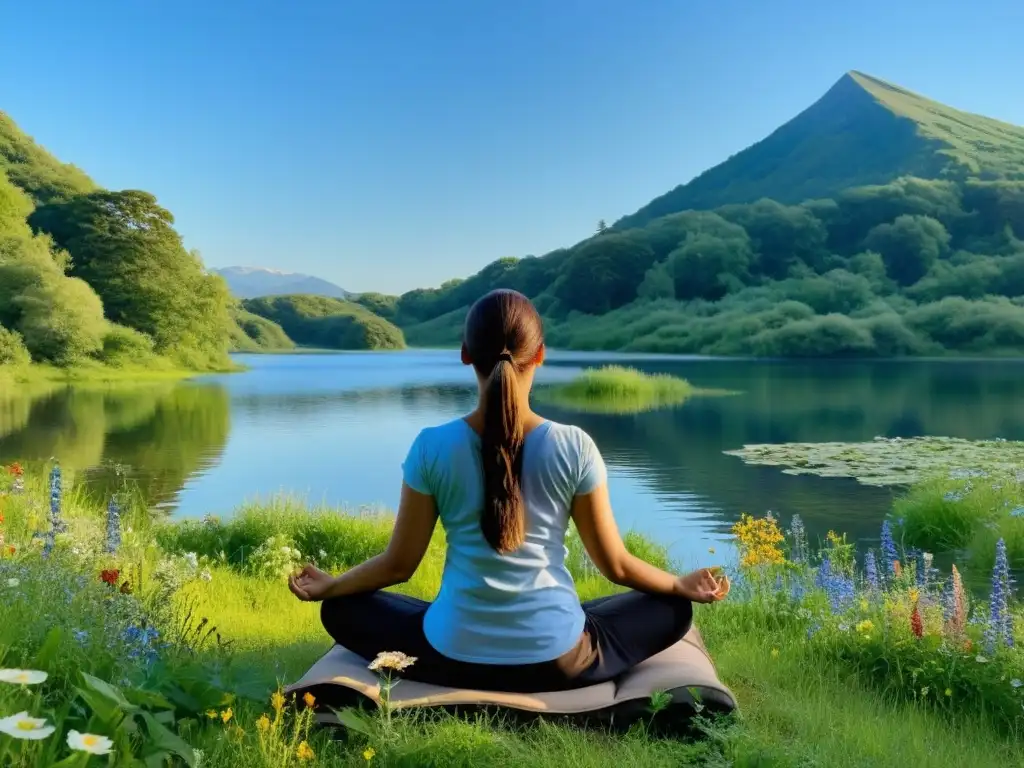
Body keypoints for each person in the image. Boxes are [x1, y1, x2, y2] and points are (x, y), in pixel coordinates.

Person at [288, 289, 729, 693]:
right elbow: (615, 565)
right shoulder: (573, 445)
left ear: (465, 355)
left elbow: (399, 565)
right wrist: (676, 583)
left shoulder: (432, 446)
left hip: (450, 657)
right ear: (539, 355)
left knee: (342, 609)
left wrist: (335, 586)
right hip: (558, 661)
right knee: (672, 609)